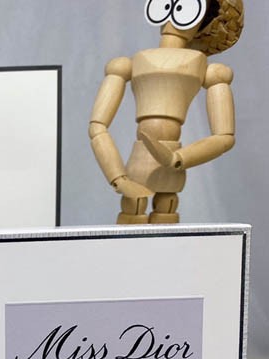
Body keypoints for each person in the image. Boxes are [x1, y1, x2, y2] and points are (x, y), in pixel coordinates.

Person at [89, 0, 244, 223]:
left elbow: (224, 137)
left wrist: (178, 158)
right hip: (142, 158)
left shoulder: (208, 69)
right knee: (133, 213)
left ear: (206, 18)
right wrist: (117, 176)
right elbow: (97, 127)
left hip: (171, 159)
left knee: (165, 214)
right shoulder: (128, 64)